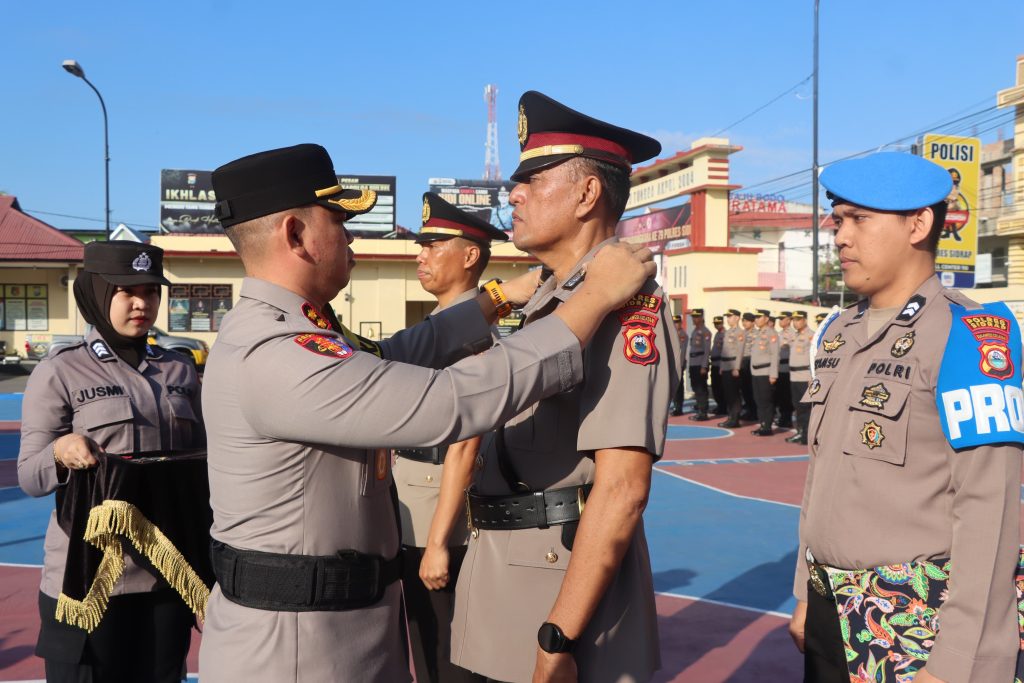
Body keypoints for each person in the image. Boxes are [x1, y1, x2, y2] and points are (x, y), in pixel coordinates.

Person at [198, 143, 655, 682]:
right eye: (338, 221)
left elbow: (396, 355)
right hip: (296, 648)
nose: (350, 237)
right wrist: (592, 299)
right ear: (295, 234)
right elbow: (448, 401)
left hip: (337, 626)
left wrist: (497, 299)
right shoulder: (275, 354)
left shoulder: (296, 334)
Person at [450, 91, 678, 683]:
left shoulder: (626, 307)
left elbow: (622, 488)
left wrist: (560, 634)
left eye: (533, 179)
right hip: (503, 565)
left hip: (555, 585)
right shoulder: (549, 299)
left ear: (586, 194)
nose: (514, 194)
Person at [788, 152, 1023, 683]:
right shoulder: (839, 332)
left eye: (858, 219)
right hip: (830, 607)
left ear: (917, 225)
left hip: (915, 622)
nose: (840, 237)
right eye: (838, 220)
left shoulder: (969, 335)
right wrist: (804, 591)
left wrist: (959, 660)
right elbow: (821, 475)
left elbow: (989, 509)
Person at [18, 241, 204, 682]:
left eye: (152, 291)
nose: (143, 303)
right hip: (87, 580)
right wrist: (60, 452)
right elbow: (30, 476)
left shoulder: (179, 369)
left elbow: (203, 466)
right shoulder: (61, 370)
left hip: (164, 578)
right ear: (98, 294)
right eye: (127, 292)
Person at [397, 192, 507, 683]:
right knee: (427, 649)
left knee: (445, 657)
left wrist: (439, 541)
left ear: (469, 256)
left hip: (439, 519)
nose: (421, 255)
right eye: (421, 245)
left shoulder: (470, 337)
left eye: (434, 244)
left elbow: (466, 444)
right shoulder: (441, 329)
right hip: (415, 508)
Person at [784, 310, 814, 445]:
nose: (795, 322)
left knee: (805, 407)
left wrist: (811, 377)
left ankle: (806, 435)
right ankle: (800, 432)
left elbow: (813, 358)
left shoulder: (811, 336)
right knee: (797, 406)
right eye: (793, 320)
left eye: (798, 320)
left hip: (804, 376)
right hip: (794, 376)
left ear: (805, 320)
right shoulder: (794, 335)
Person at [749, 308, 779, 436]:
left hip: (766, 372)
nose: (756, 319)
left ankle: (767, 427)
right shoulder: (758, 333)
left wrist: (773, 374)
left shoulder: (771, 333)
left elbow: (775, 355)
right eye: (755, 317)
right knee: (758, 400)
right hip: (756, 372)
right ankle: (762, 424)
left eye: (759, 317)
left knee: (766, 401)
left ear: (766, 319)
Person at [718, 309, 745, 428]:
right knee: (728, 393)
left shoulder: (740, 332)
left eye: (730, 316)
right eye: (727, 317)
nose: (728, 319)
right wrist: (721, 366)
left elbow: (740, 351)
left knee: (734, 394)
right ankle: (730, 417)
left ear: (737, 318)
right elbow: (724, 351)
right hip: (725, 366)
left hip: (733, 366)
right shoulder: (727, 332)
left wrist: (737, 367)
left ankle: (735, 419)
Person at [687, 308, 713, 421]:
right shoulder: (694, 331)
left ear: (701, 318)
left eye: (696, 317)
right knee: (695, 387)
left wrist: (704, 366)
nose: (694, 319)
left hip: (700, 363)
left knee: (701, 388)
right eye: (693, 317)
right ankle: (699, 408)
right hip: (693, 363)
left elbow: (707, 350)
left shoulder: (705, 332)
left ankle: (703, 412)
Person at [775, 311, 794, 428]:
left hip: (787, 369)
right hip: (779, 369)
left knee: (787, 396)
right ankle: (782, 417)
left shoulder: (793, 334)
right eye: (779, 319)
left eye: (782, 319)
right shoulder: (779, 334)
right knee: (780, 395)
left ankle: (788, 419)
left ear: (789, 320)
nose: (780, 321)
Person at [739, 311, 757, 420]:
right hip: (742, 362)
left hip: (750, 361)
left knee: (751, 389)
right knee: (744, 389)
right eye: (743, 321)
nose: (744, 323)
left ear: (753, 322)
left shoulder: (756, 334)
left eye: (747, 321)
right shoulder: (742, 333)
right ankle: (749, 409)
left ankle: (754, 412)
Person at [670, 314, 689, 416]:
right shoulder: (671, 334)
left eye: (677, 322)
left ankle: (678, 407)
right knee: (673, 386)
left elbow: (683, 352)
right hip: (672, 364)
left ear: (680, 323)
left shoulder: (682, 335)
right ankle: (675, 406)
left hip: (679, 365)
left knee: (678, 387)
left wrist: (680, 365)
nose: (675, 324)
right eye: (674, 322)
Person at [710, 314, 726, 415]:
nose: (717, 325)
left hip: (720, 364)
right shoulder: (717, 334)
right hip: (714, 363)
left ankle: (723, 407)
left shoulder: (725, 334)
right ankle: (719, 405)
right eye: (715, 323)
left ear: (722, 323)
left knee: (721, 388)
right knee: (715, 387)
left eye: (718, 323)